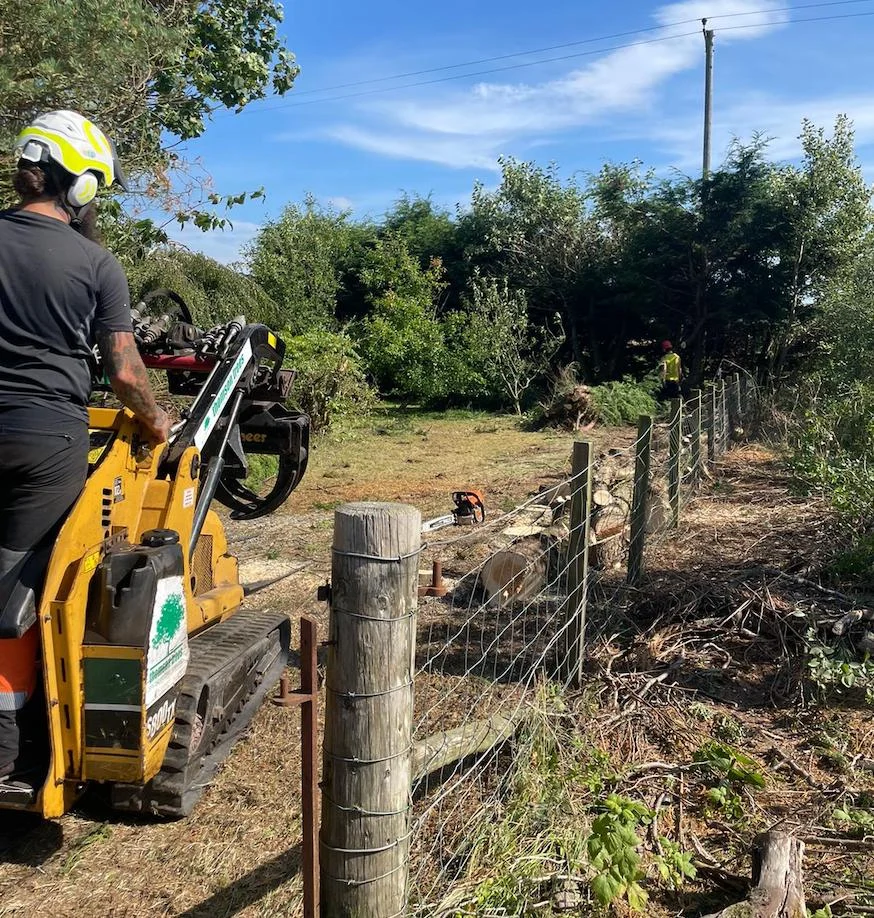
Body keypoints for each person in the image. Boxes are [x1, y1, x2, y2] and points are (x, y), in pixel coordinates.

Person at [0, 110, 170, 793]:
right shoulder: (96, 263)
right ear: (82, 187)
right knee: (25, 585)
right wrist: (155, 420)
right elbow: (125, 372)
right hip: (43, 436)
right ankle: (16, 752)